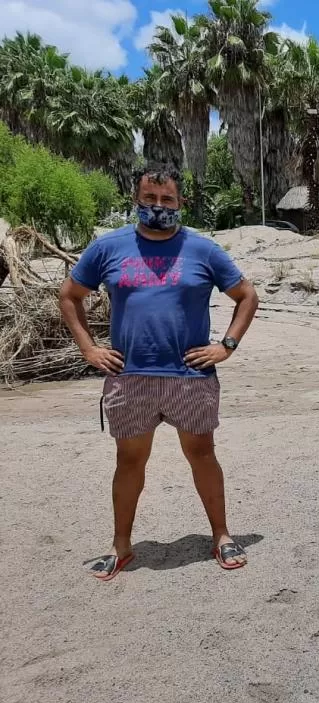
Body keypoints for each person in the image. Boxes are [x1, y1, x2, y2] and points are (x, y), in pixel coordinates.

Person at [59, 165, 259, 581]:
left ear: (180, 202)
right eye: (149, 198)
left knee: (202, 454)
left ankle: (221, 535)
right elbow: (70, 296)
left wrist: (226, 346)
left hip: (190, 375)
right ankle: (121, 546)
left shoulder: (202, 250)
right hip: (130, 376)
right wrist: (89, 349)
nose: (157, 206)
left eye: (167, 199)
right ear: (136, 199)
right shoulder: (108, 247)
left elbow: (246, 295)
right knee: (129, 459)